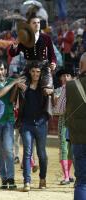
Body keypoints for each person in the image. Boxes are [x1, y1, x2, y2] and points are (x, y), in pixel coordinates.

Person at [11, 61, 53, 192]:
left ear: (41, 73)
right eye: (33, 71)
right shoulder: (24, 85)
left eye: (38, 72)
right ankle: (27, 181)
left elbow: (54, 101)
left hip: (41, 123)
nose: (35, 74)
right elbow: (12, 100)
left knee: (42, 154)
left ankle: (42, 178)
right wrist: (16, 87)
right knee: (27, 152)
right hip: (26, 123)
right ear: (29, 72)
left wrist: (50, 92)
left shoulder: (45, 86)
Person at [0, 61, 25, 189]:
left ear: (6, 70)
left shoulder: (11, 81)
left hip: (8, 119)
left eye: (1, 69)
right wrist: (13, 83)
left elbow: (13, 98)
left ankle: (11, 178)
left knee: (8, 149)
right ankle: (3, 178)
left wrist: (19, 83)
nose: (0, 72)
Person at [9, 13, 56, 95]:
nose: (37, 24)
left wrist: (53, 63)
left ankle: (50, 107)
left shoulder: (46, 37)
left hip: (44, 67)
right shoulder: (24, 37)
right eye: (34, 23)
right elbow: (13, 53)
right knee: (20, 88)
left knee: (47, 89)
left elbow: (52, 54)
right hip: (29, 67)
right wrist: (15, 44)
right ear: (29, 25)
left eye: (38, 22)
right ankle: (20, 107)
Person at [65, 52, 86, 200]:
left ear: (81, 66)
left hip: (78, 140)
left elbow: (59, 110)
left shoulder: (71, 86)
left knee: (82, 182)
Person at [53, 69, 74, 185]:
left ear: (71, 77)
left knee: (71, 149)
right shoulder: (58, 91)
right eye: (63, 76)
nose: (65, 78)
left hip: (73, 122)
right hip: (64, 121)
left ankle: (69, 174)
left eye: (68, 75)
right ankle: (66, 176)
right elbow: (56, 109)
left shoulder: (73, 89)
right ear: (60, 78)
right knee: (64, 148)